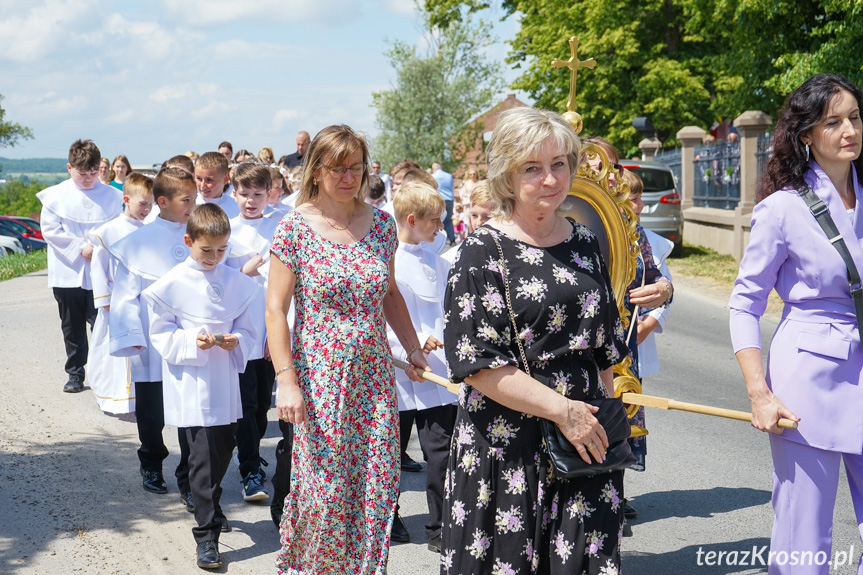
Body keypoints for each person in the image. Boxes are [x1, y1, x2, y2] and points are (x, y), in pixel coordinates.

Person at [441, 107, 630, 574]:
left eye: (559, 164)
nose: (550, 179)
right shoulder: (481, 251)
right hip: (508, 451)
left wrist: (603, 418)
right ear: (507, 174)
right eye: (533, 167)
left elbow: (603, 347)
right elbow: (477, 363)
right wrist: (564, 412)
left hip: (584, 445)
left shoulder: (586, 241)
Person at [266, 124, 430, 573]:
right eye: (337, 168)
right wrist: (286, 380)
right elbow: (275, 310)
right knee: (324, 491)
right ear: (316, 171)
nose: (347, 177)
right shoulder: (295, 227)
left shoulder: (380, 225)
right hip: (320, 382)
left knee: (375, 489)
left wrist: (413, 348)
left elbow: (390, 294)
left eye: (355, 167)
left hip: (373, 380)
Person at [730, 73, 863, 575]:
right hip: (808, 383)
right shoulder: (782, 210)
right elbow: (744, 304)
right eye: (833, 121)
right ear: (806, 135)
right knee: (803, 536)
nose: (849, 129)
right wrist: (759, 392)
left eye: (854, 117)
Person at [144, 203, 260, 570]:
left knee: (222, 450)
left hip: (225, 379)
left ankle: (212, 505)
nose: (214, 258)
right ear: (188, 241)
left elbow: (250, 329)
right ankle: (207, 537)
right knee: (203, 458)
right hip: (191, 381)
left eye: (222, 250)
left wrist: (235, 340)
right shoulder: (172, 282)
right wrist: (194, 338)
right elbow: (160, 333)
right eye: (205, 250)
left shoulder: (237, 282)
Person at [108, 168, 196, 501]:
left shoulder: (197, 232)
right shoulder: (137, 243)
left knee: (191, 411)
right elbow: (126, 294)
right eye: (187, 199)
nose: (193, 205)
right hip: (150, 341)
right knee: (151, 412)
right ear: (163, 201)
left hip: (189, 337)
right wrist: (130, 334)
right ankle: (152, 462)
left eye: (194, 199)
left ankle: (190, 477)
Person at [387, 181, 457, 552]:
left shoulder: (441, 263)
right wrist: (410, 345)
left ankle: (440, 526)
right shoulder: (388, 261)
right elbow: (384, 314)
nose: (440, 229)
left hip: (436, 370)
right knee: (389, 452)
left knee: (441, 451)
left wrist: (438, 341)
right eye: (434, 221)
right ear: (412, 220)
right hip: (397, 371)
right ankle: (388, 515)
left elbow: (448, 313)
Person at [37, 139, 124, 393]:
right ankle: (75, 372)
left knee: (102, 322)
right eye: (81, 173)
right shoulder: (55, 196)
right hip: (69, 271)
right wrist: (79, 248)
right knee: (72, 325)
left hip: (102, 270)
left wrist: (100, 247)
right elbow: (51, 230)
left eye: (92, 173)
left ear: (100, 169)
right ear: (69, 167)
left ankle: (105, 373)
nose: (87, 179)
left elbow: (119, 226)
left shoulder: (113, 196)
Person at [228, 163, 280, 503]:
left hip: (271, 330)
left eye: (257, 194)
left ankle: (253, 451)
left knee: (263, 404)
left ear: (269, 194)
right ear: (233, 194)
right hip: (240, 331)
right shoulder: (227, 231)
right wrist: (242, 274)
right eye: (244, 194)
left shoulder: (280, 226)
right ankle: (249, 469)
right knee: (245, 404)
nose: (250, 201)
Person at [88, 173, 154, 413]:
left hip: (140, 298)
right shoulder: (110, 230)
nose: (147, 209)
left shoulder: (148, 230)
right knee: (113, 349)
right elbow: (98, 264)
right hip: (115, 299)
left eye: (150, 204)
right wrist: (104, 299)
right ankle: (112, 396)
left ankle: (138, 396)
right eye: (142, 203)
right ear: (126, 199)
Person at [195, 152, 240, 219]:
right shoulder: (188, 206)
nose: (202, 185)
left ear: (225, 179)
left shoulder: (237, 208)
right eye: (199, 178)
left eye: (209, 180)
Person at [431, 162, 456, 244]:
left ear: (434, 168)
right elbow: (452, 187)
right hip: (449, 198)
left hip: (439, 199)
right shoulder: (449, 176)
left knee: (437, 219)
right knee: (448, 220)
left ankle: (438, 240)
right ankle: (452, 239)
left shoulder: (433, 176)